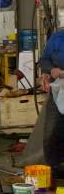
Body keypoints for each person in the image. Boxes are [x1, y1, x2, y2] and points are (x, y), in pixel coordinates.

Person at [39, 30, 64, 174]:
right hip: (58, 90)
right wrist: (51, 69)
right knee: (52, 127)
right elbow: (44, 60)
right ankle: (54, 167)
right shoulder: (57, 38)